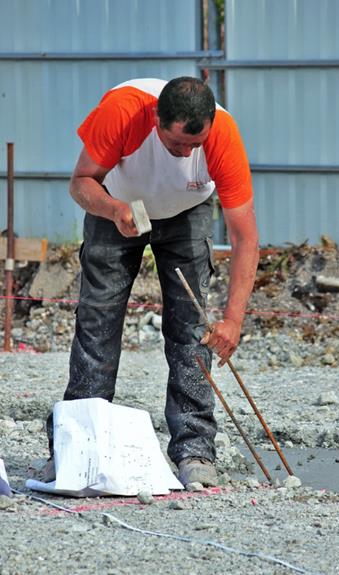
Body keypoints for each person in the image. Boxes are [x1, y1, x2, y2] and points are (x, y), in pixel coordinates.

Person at [43, 76, 259, 488]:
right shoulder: (123, 111)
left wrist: (232, 322)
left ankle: (195, 450)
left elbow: (245, 236)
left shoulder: (222, 136)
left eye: (195, 146)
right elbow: (80, 182)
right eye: (177, 144)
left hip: (187, 211)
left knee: (191, 330)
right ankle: (77, 448)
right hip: (117, 203)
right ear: (157, 119)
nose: (186, 153)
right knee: (98, 322)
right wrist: (114, 209)